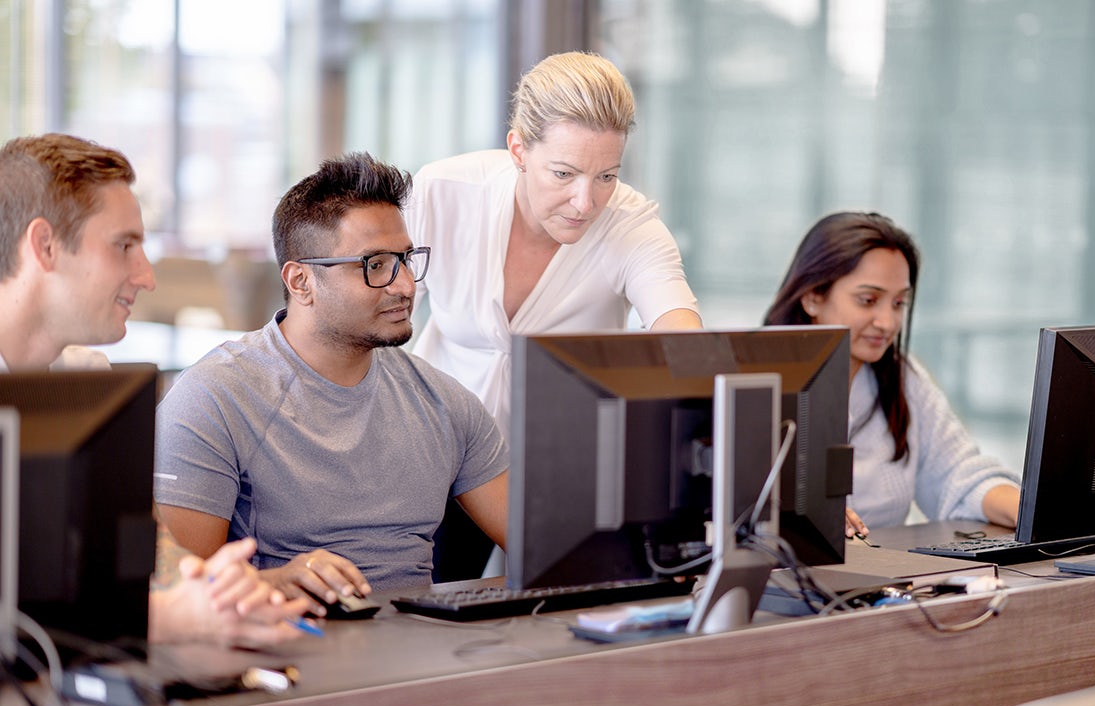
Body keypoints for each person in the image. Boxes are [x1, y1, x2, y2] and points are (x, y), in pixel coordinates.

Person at [153, 152, 509, 613]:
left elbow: (550, 551)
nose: (404, 286)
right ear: (301, 282)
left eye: (405, 259)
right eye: (375, 265)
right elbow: (178, 594)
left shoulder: (445, 401)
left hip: (425, 655)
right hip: (289, 652)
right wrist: (275, 583)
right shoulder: (213, 398)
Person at [0, 132, 309, 646]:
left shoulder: (86, 381)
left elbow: (153, 557)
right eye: (124, 246)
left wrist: (219, 587)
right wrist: (166, 621)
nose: (146, 277)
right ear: (45, 246)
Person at [404, 50, 701, 580]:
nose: (585, 202)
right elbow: (379, 314)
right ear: (518, 148)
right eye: (563, 173)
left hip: (562, 465)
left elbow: (686, 347)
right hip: (435, 452)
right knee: (424, 606)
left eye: (607, 176)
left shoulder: (631, 226)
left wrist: (770, 477)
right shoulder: (444, 192)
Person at [764, 212, 1020, 537]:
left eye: (899, 303)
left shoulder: (903, 379)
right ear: (813, 297)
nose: (887, 322)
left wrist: (1030, 511)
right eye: (868, 300)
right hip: (784, 579)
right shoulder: (756, 384)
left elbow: (957, 474)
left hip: (887, 578)